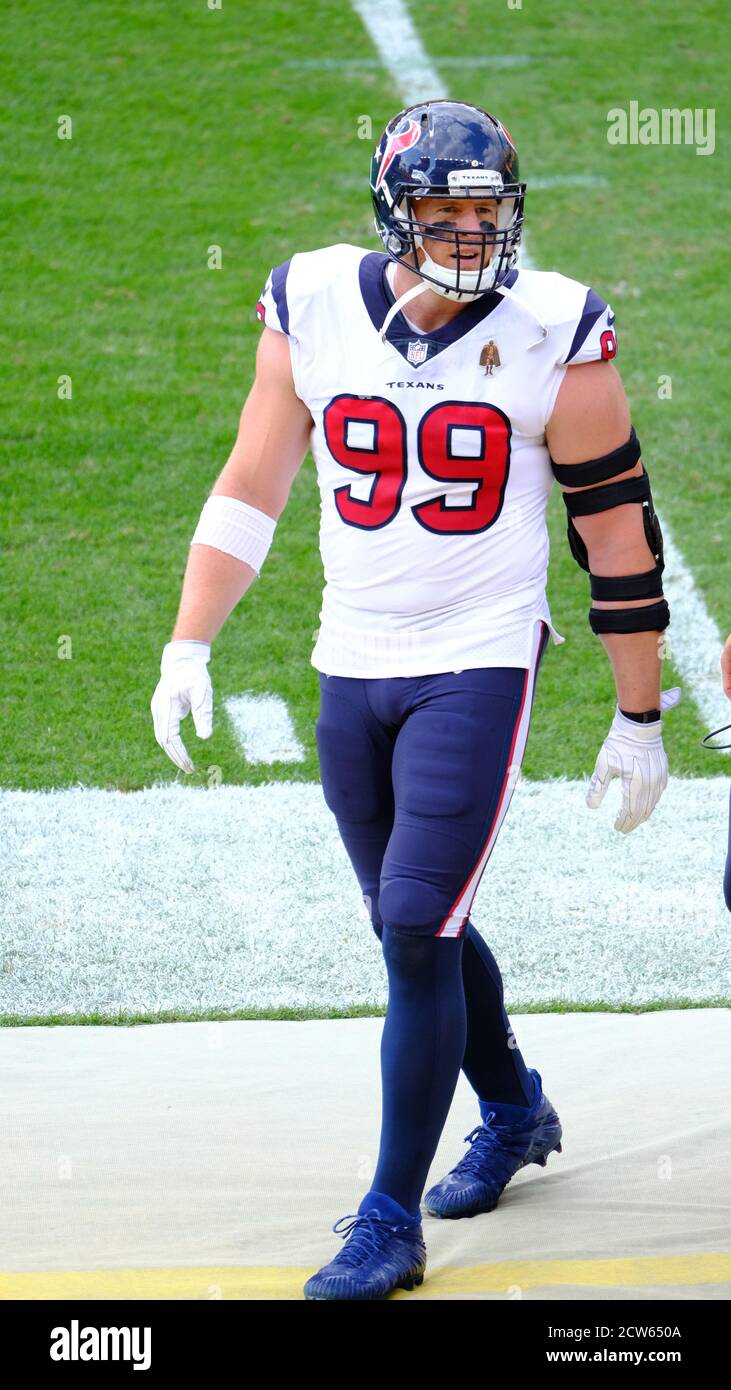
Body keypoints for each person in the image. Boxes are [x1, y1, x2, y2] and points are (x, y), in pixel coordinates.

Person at [151, 100, 680, 1300]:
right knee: (414, 926)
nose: (464, 233)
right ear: (394, 212)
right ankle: (513, 1104)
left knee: (411, 925)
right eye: (440, 212)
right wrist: (190, 643)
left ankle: (387, 1218)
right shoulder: (314, 301)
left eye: (482, 211)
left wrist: (636, 712)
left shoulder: (557, 330)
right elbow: (252, 482)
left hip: (481, 651)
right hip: (353, 651)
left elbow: (614, 530)